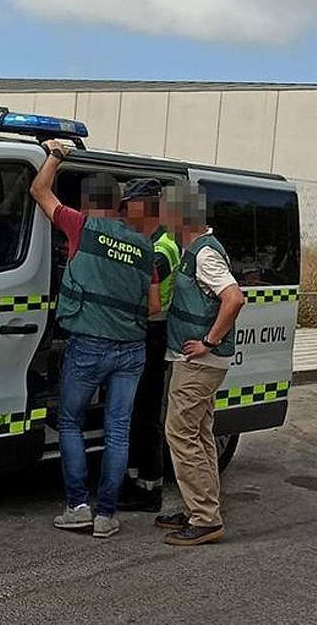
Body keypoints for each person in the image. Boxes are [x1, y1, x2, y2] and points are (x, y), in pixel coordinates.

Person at [29, 139, 161, 539]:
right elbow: (154, 307)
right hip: (131, 350)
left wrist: (56, 154)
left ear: (88, 203)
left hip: (87, 345)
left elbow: (39, 191)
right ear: (120, 205)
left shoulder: (81, 226)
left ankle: (77, 507)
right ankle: (106, 515)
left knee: (69, 421)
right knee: (118, 429)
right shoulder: (144, 247)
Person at [154, 183, 244, 546]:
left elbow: (234, 299)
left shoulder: (205, 254)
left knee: (180, 433)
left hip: (199, 363)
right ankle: (201, 508)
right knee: (201, 434)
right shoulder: (195, 249)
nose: (160, 219)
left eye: (164, 212)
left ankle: (205, 518)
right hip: (200, 362)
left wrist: (209, 341)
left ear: (181, 216)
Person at [118, 179, 181, 513]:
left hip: (153, 334)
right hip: (143, 332)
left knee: (145, 413)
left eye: (131, 205)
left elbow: (145, 290)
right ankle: (132, 481)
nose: (127, 211)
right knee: (133, 411)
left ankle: (149, 489)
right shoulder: (149, 240)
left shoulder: (163, 247)